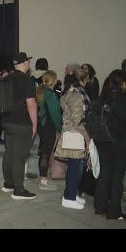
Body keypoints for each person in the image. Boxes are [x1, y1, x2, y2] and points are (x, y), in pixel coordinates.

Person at [0, 52, 38, 200]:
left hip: (7, 122)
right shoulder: (27, 80)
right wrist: (34, 123)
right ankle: (18, 190)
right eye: (28, 61)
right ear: (24, 63)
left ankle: (8, 184)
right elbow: (31, 104)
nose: (29, 63)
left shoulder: (6, 78)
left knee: (9, 153)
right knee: (19, 157)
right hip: (22, 123)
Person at [54, 69, 90, 209]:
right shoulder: (76, 95)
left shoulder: (70, 91)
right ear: (83, 80)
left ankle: (71, 194)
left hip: (73, 133)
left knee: (74, 166)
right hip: (76, 134)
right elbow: (77, 119)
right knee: (76, 167)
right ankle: (69, 197)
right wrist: (87, 137)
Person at [94, 69, 126, 219]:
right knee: (117, 177)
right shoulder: (123, 99)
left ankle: (100, 206)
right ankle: (114, 211)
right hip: (119, 142)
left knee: (104, 173)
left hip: (103, 141)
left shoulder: (103, 98)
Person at [36, 70, 62, 191]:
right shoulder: (51, 95)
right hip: (49, 127)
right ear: (54, 81)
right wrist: (60, 128)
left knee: (43, 152)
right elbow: (55, 114)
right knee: (46, 153)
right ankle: (43, 179)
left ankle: (42, 177)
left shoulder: (41, 92)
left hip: (41, 126)